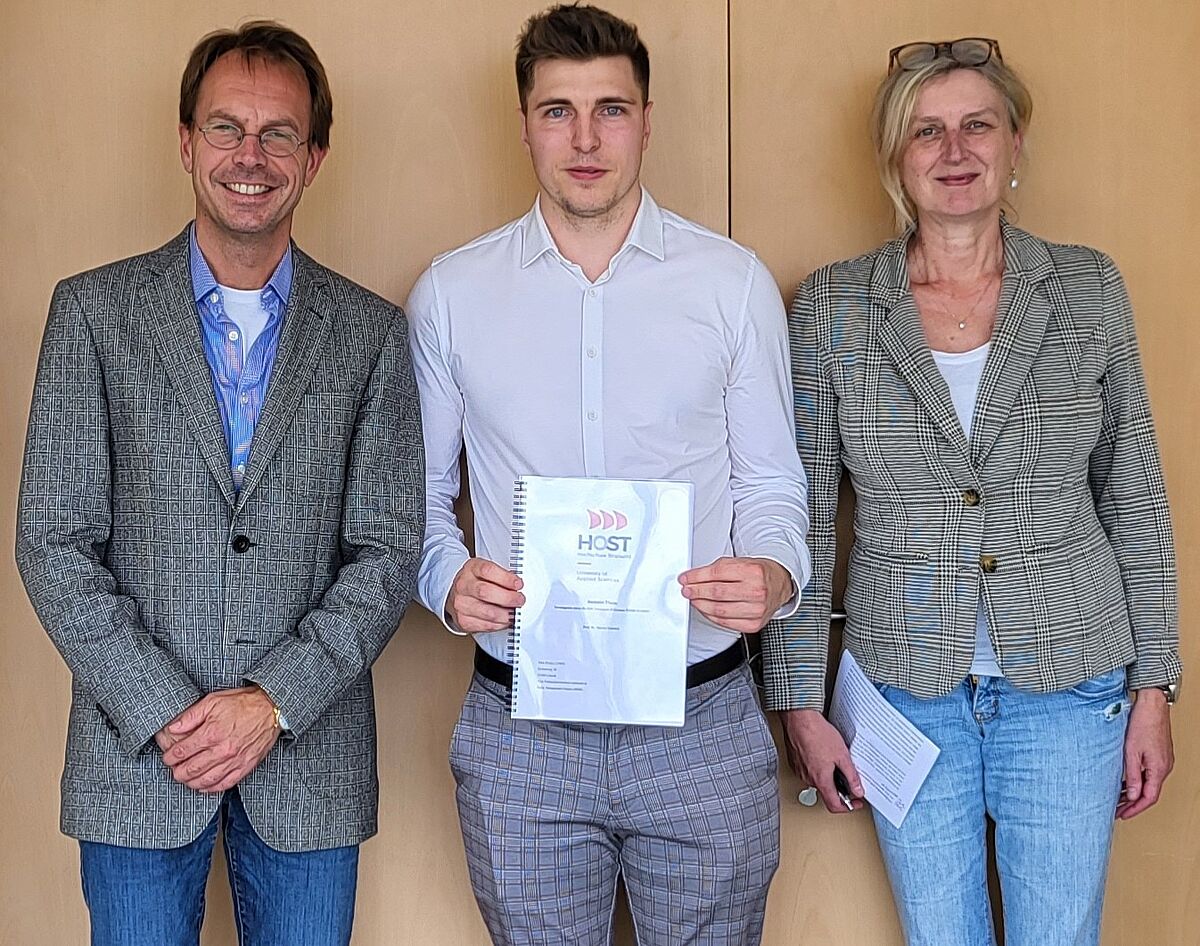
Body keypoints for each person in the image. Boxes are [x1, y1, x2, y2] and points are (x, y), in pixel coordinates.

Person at [763, 37, 1181, 946]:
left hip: (1071, 686)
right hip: (905, 691)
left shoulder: (1087, 289)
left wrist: (1155, 686)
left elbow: (1135, 495)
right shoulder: (833, 308)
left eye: (977, 126)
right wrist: (798, 702)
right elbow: (800, 516)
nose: (954, 152)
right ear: (895, 156)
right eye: (927, 131)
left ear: (1015, 141)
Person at [407, 4, 810, 942]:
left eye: (610, 109)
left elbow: (772, 485)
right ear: (524, 124)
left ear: (647, 121)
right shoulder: (452, 295)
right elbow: (420, 503)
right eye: (558, 111)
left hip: (703, 717)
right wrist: (446, 580)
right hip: (522, 732)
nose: (585, 139)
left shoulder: (732, 285)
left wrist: (776, 574)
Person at [15, 21, 424, 946]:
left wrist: (273, 701)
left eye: (279, 133)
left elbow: (388, 550)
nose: (251, 156)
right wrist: (164, 708)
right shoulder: (92, 312)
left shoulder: (370, 333)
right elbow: (52, 539)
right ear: (185, 141)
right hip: (134, 756)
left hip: (308, 757)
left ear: (314, 157)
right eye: (226, 127)